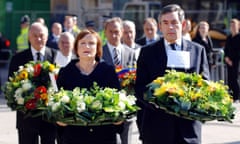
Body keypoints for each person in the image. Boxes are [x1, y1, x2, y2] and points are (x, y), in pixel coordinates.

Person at [135, 4, 210, 144]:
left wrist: (191, 101)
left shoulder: (198, 51)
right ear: (160, 26)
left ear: (182, 24)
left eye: (174, 22)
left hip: (189, 130)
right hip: (157, 128)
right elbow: (140, 87)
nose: (170, 27)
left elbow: (205, 83)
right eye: (166, 23)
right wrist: (160, 102)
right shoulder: (147, 52)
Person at [56, 29, 122, 144]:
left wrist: (119, 118)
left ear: (97, 48)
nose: (87, 46)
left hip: (104, 136)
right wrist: (59, 120)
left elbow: (118, 100)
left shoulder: (108, 71)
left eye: (91, 43)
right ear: (76, 47)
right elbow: (57, 103)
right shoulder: (66, 72)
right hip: (73, 137)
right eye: (82, 43)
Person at [8, 22, 57, 144]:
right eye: (35, 35)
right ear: (29, 37)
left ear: (47, 36)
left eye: (42, 35)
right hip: (26, 118)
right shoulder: (18, 58)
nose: (39, 39)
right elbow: (11, 86)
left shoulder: (55, 56)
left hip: (49, 118)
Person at [102, 17, 135, 144]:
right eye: (111, 32)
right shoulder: (100, 52)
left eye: (117, 31)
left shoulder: (130, 52)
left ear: (122, 32)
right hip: (107, 108)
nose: (114, 35)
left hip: (126, 107)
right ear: (105, 32)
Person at [224, 18, 240, 102]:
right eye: (231, 25)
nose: (233, 27)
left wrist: (232, 60)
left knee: (235, 79)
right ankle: (231, 97)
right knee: (229, 79)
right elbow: (226, 49)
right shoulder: (229, 37)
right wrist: (226, 58)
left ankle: (237, 97)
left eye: (234, 25)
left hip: (237, 62)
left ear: (238, 26)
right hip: (228, 61)